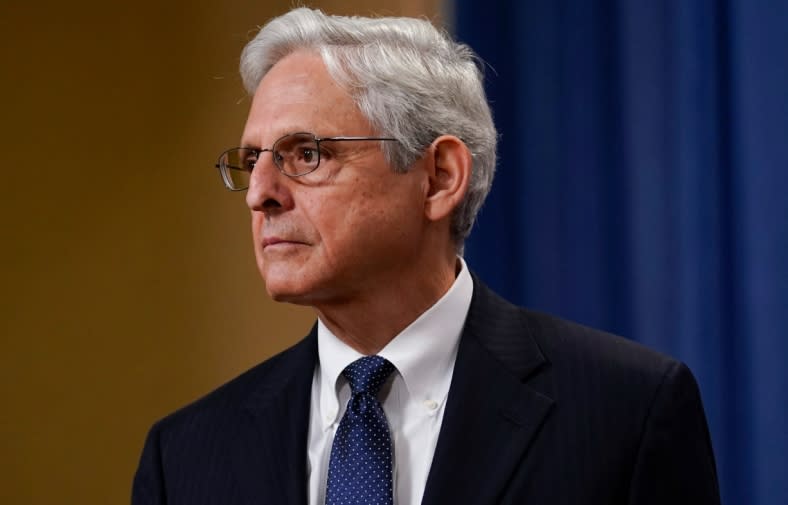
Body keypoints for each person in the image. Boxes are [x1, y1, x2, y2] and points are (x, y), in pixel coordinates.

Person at [132, 7, 720, 505]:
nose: (260, 193)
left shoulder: (627, 410)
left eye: (305, 153)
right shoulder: (183, 456)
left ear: (439, 177)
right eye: (251, 159)